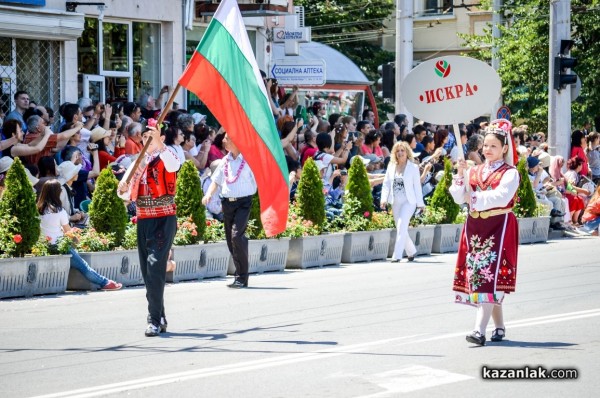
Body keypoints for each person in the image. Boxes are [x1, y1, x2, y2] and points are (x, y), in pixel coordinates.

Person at [449, 119, 520, 346]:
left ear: (504, 148)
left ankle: (479, 331)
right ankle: (499, 327)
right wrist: (460, 176)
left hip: (498, 226)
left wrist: (475, 198)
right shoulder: (474, 170)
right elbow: (459, 197)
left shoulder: (511, 173)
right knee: (484, 277)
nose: (488, 150)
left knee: (487, 276)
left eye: (494, 146)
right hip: (475, 228)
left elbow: (501, 197)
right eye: (485, 146)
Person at [118, 123, 180, 337]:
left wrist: (160, 144)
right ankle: (160, 315)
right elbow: (125, 193)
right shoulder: (137, 162)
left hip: (164, 218)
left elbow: (173, 167)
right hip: (144, 219)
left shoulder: (167, 154)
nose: (147, 140)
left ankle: (152, 320)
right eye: (144, 137)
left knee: (154, 267)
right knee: (147, 271)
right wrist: (122, 189)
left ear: (160, 137)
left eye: (151, 136)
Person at [38, 179, 122, 291]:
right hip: (59, 246)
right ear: (57, 193)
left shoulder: (38, 209)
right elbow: (68, 232)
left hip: (43, 246)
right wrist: (78, 241)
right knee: (83, 266)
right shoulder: (59, 211)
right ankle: (105, 282)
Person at [202, 133, 256, 289]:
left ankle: (242, 277)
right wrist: (208, 194)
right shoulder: (225, 160)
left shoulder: (248, 160)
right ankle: (239, 274)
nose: (223, 141)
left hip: (243, 203)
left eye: (227, 138)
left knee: (236, 236)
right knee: (230, 240)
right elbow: (216, 181)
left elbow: (260, 179)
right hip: (227, 204)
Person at [380, 141, 424, 263]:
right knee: (401, 228)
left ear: (407, 152)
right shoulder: (391, 166)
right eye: (398, 151)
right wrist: (383, 199)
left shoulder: (413, 167)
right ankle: (411, 251)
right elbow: (386, 184)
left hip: (409, 202)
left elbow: (417, 187)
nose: (400, 153)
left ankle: (397, 255)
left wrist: (420, 204)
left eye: (402, 150)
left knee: (401, 225)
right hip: (396, 202)